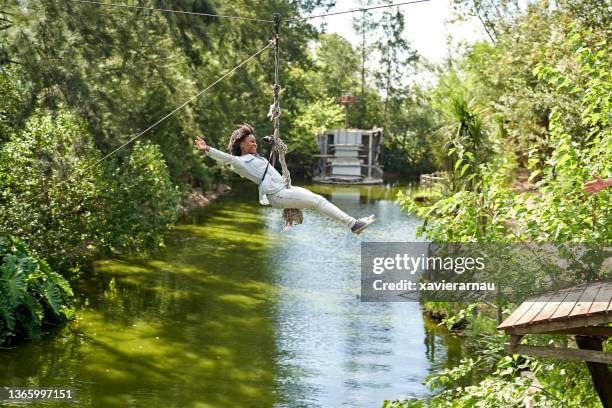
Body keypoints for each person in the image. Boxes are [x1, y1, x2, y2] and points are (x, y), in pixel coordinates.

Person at [194, 124, 375, 234]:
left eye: (256, 141)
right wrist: (207, 149)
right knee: (318, 200)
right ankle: (353, 224)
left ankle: (353, 223)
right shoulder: (241, 162)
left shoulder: (258, 158)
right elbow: (227, 158)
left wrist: (275, 145)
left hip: (285, 189)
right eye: (251, 141)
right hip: (278, 195)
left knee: (318, 200)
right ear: (242, 144)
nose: (255, 144)